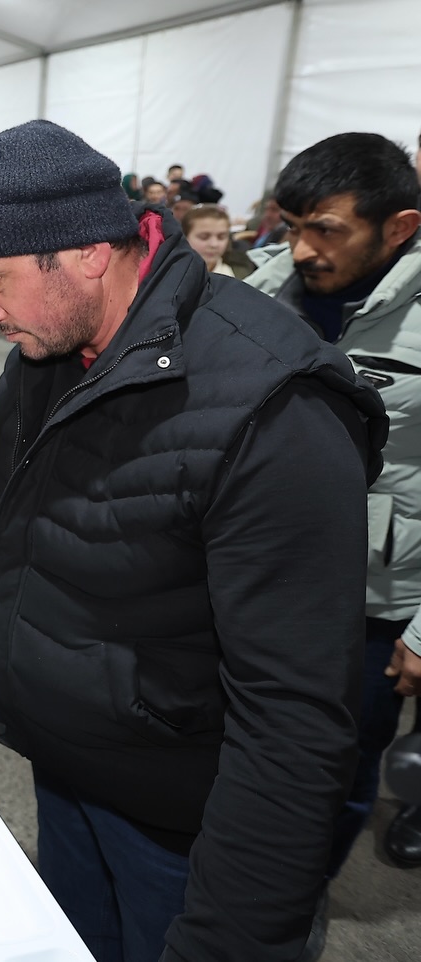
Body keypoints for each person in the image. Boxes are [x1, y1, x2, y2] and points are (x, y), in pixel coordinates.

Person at [0, 119, 385, 962]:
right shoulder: (47, 351)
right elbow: (8, 485)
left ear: (85, 253)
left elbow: (292, 724)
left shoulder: (273, 412)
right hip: (67, 761)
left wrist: (229, 940)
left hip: (180, 815)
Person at [246, 132, 421, 887]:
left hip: (374, 601)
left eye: (326, 230)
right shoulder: (260, 292)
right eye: (292, 227)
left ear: (399, 227)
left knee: (341, 761)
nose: (303, 249)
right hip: (261, 568)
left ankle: (297, 900)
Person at [181, 204, 253, 278]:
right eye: (204, 237)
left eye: (221, 237)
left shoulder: (241, 275)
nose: (214, 244)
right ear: (185, 237)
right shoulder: (174, 273)